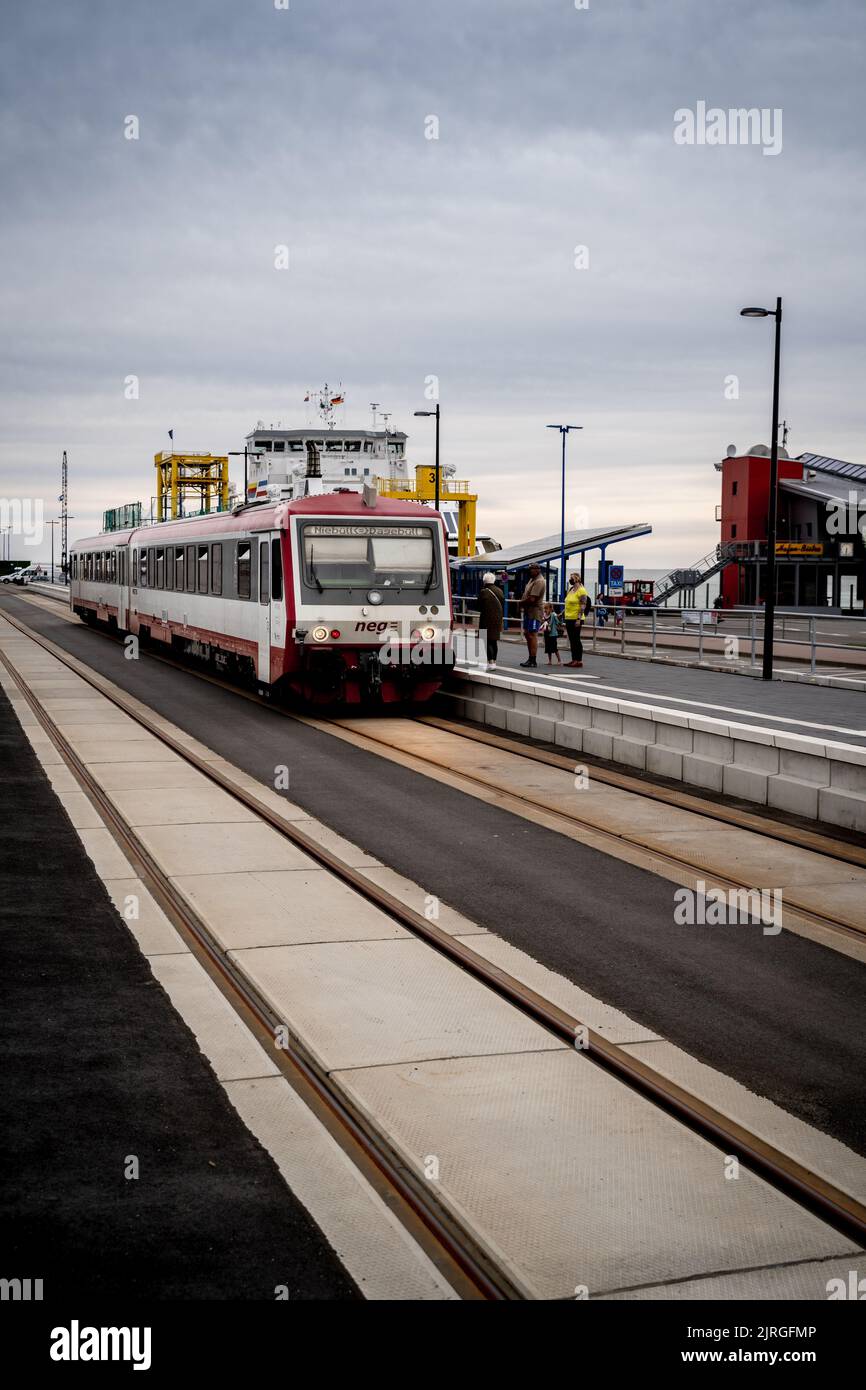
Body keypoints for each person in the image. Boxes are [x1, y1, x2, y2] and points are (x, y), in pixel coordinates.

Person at [518, 563, 546, 667]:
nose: (530, 571)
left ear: (537, 570)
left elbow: (532, 598)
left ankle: (533, 660)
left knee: (532, 634)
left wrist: (521, 603)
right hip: (528, 611)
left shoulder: (539, 581)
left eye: (532, 569)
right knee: (527, 633)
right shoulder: (532, 580)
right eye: (529, 569)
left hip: (535, 611)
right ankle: (530, 658)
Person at [477, 571, 503, 669]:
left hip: (486, 620)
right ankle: (494, 661)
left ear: (484, 581)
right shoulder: (500, 591)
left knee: (486, 641)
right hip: (497, 620)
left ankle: (490, 662)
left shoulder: (484, 592)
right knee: (494, 641)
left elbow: (478, 607)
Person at [563, 571, 590, 667]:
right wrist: (561, 614)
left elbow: (583, 605)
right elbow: (568, 603)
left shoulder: (582, 590)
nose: (570, 580)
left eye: (572, 578)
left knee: (576, 639)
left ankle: (578, 660)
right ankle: (573, 659)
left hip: (576, 618)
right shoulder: (571, 589)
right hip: (568, 617)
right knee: (571, 639)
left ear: (577, 579)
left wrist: (579, 619)